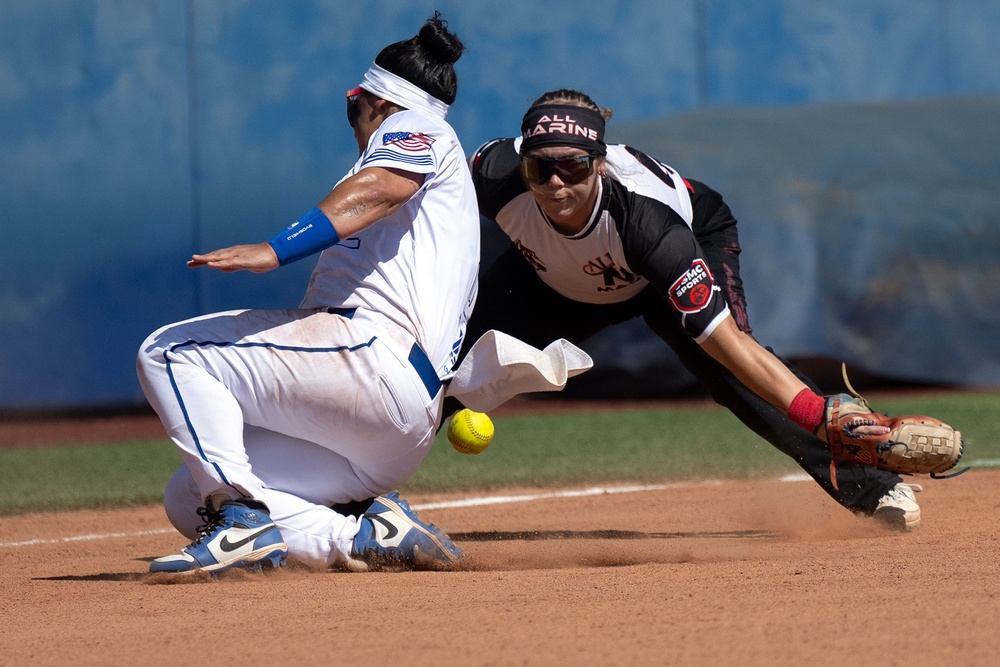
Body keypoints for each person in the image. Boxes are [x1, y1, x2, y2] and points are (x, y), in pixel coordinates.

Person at [457, 88, 922, 530]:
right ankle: (379, 488)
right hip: (555, 278)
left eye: (573, 167)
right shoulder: (490, 172)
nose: (556, 182)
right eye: (540, 169)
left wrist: (819, 414)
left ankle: (875, 486)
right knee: (449, 360)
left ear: (599, 163)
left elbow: (728, 345)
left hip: (669, 261)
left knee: (733, 370)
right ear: (522, 162)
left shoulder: (647, 221)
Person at [136, 13, 477, 575]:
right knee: (189, 494)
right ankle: (365, 537)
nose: (352, 112)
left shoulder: (419, 128)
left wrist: (277, 248)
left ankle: (244, 524)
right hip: (397, 427)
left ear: (373, 100)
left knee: (170, 352)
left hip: (373, 363)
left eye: (354, 100)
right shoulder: (442, 188)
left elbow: (383, 187)